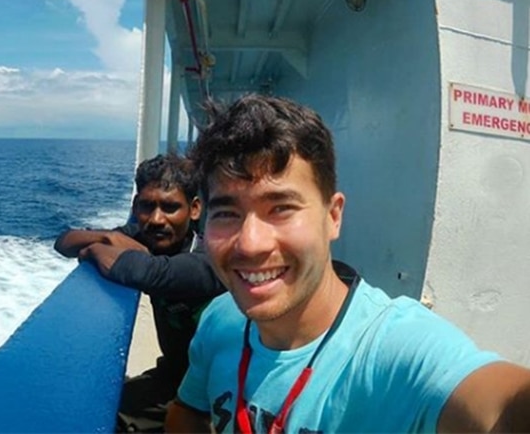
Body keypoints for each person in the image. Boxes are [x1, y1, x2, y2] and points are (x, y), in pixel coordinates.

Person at [166, 94, 530, 433]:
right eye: (227, 213)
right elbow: (188, 412)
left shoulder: (394, 349)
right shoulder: (221, 318)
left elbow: (498, 407)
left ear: (333, 216)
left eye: (281, 208)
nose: (250, 243)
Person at [54, 153, 225, 433]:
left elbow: (149, 272)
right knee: (91, 406)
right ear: (136, 206)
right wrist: (106, 237)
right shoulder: (143, 236)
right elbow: (64, 242)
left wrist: (98, 248)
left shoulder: (208, 261)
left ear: (194, 209)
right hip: (174, 376)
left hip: (219, 392)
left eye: (170, 208)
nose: (157, 219)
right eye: (147, 206)